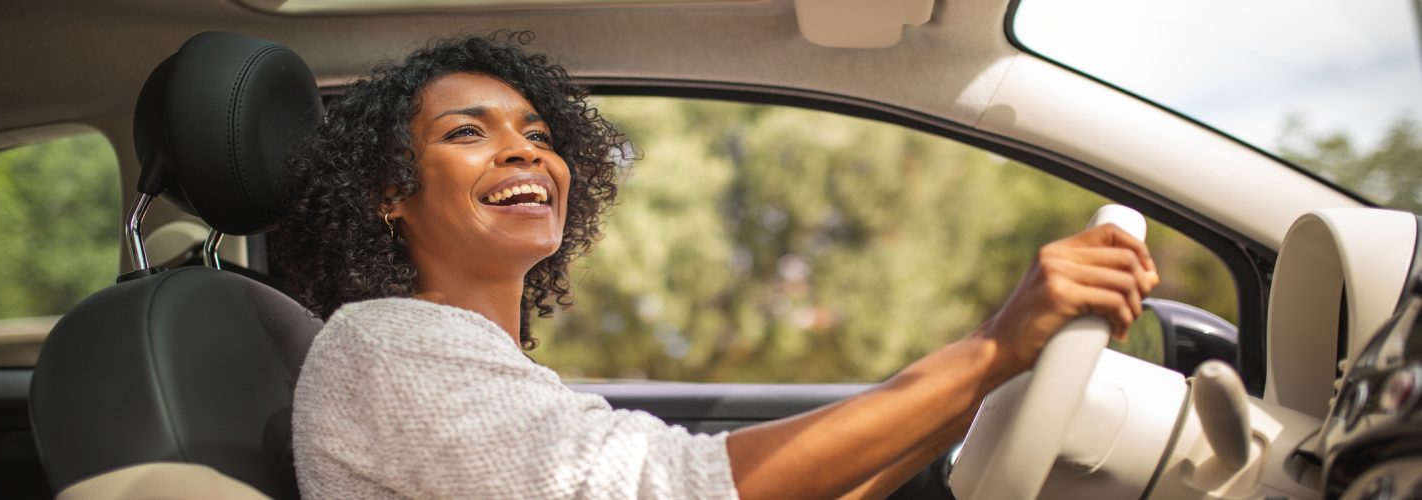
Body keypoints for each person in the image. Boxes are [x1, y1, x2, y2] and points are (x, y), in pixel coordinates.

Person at [272, 32, 1158, 500]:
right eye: (468, 133)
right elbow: (680, 490)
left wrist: (979, 380)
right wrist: (994, 351)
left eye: (540, 137)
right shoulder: (386, 347)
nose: (524, 155)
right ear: (390, 191)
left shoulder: (483, 367)